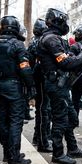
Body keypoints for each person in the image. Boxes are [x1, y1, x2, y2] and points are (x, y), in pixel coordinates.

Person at [37, 8, 82, 164]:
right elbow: (65, 62)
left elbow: (66, 58)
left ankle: (72, 148)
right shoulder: (51, 39)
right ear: (58, 22)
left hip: (61, 85)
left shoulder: (53, 38)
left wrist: (76, 57)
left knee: (71, 118)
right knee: (61, 119)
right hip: (56, 85)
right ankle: (58, 153)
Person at [0, 15, 36, 164]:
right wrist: (31, 86)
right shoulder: (17, 45)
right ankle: (14, 157)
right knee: (15, 121)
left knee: (3, 120)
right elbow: (25, 68)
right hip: (14, 87)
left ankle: (7, 153)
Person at [28, 18, 53, 152]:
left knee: (41, 110)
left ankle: (38, 137)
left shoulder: (35, 42)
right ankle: (43, 141)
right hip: (42, 79)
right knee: (44, 110)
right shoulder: (40, 43)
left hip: (38, 79)